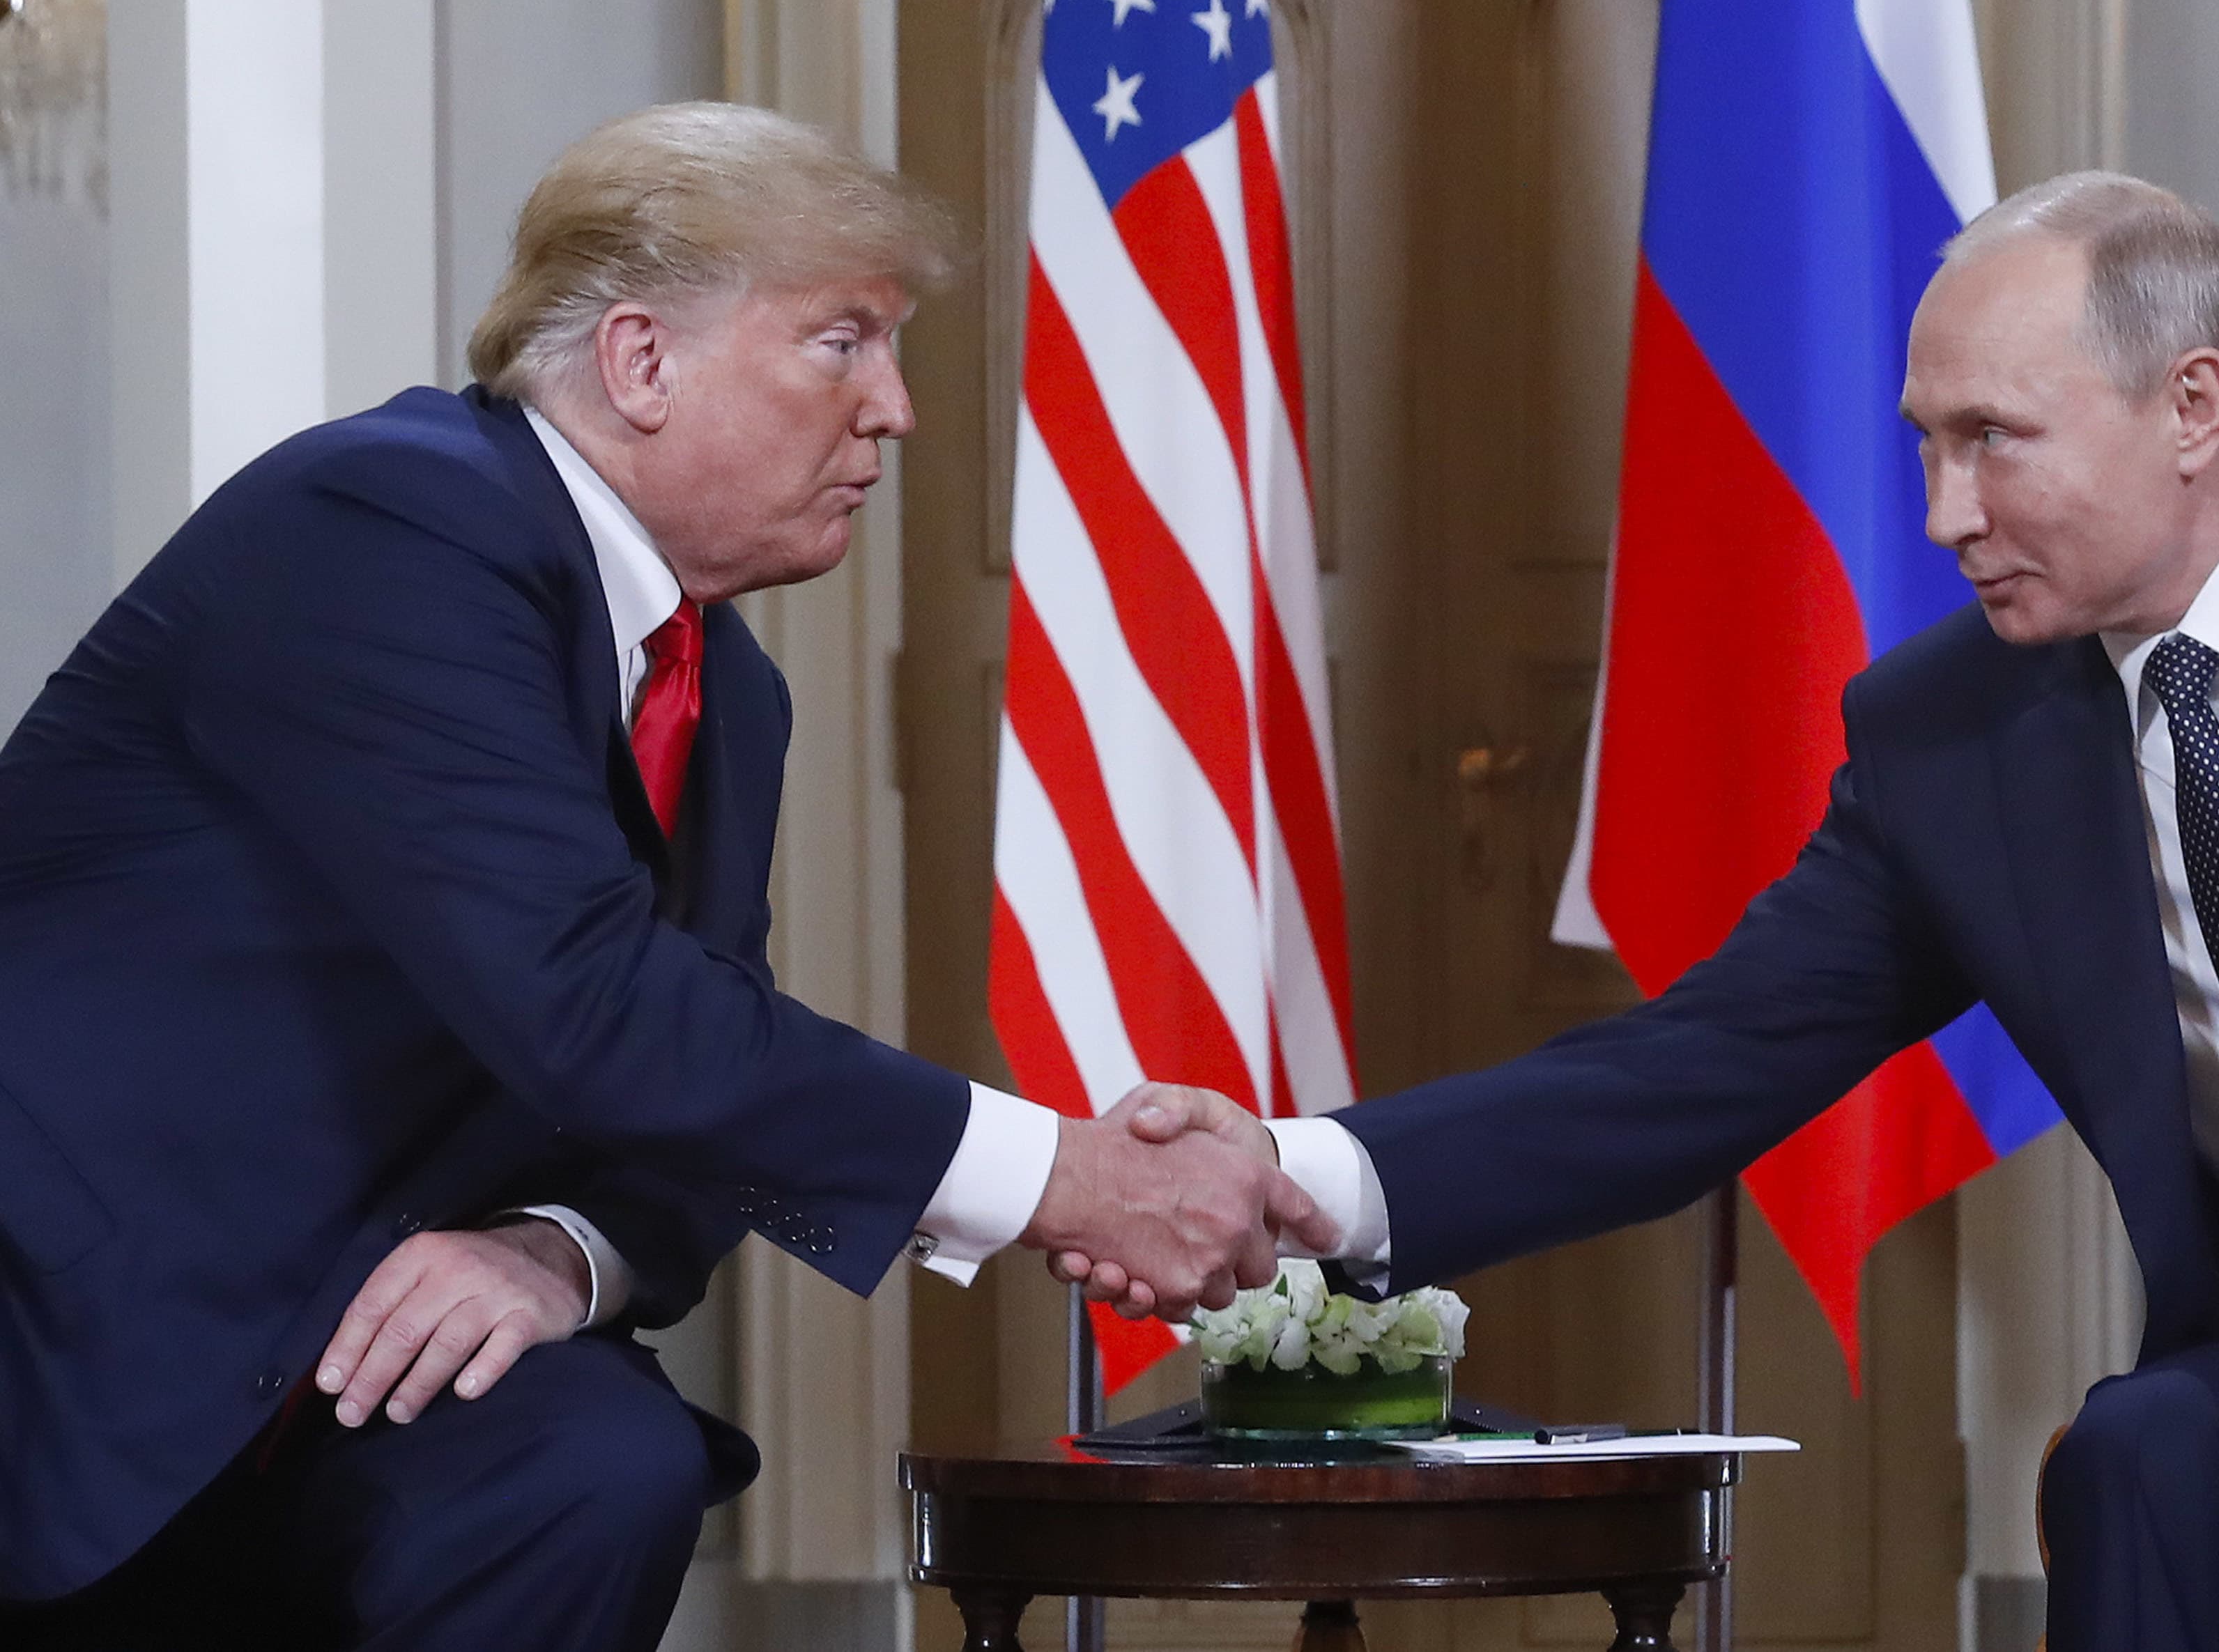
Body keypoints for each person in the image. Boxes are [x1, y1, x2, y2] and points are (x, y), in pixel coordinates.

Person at [1075, 172, 2219, 1649]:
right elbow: (1699, 1065)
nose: (1945, 515)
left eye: (1992, 442)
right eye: (1926, 447)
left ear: (2190, 402)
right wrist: (1297, 1172)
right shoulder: (1960, 737)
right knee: (2152, 1447)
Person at [0, 102, 1328, 1650]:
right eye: (844, 341)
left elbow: (694, 1084)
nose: (894, 408)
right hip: (82, 1309)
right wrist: (1069, 1177)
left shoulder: (725, 689)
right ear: (640, 362)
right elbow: (596, 1005)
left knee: (596, 1462)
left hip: (357, 1336)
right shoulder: (389, 520)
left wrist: (562, 1248)